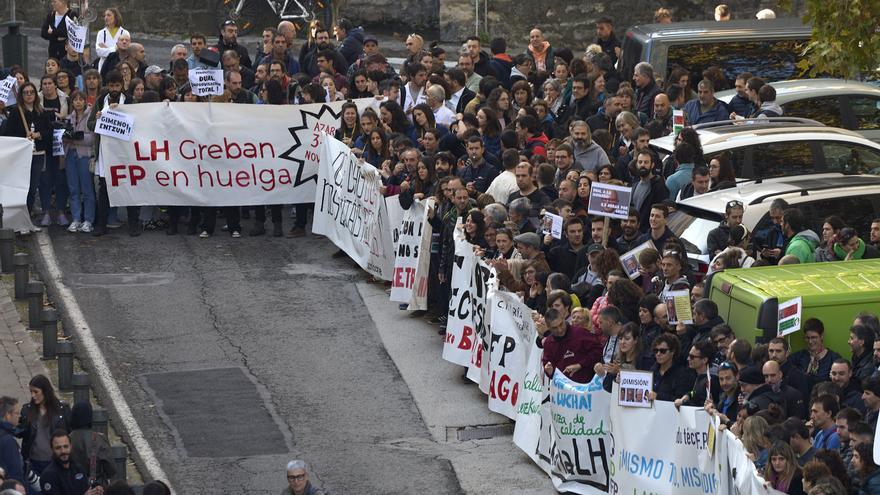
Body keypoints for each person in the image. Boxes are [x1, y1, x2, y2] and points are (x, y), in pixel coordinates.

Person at [3, 82, 53, 218]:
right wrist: (23, 139)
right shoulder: (15, 112)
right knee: (21, 187)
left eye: (31, 92)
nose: (29, 95)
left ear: (36, 95)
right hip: (21, 156)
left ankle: (28, 215)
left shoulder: (41, 112)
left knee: (32, 187)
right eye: (26, 92)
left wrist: (38, 135)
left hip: (38, 155)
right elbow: (8, 134)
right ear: (21, 95)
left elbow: (50, 132)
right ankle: (18, 216)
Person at [539, 308, 602, 384]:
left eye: (561, 324)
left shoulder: (580, 333)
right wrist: (550, 371)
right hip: (562, 389)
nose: (560, 330)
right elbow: (548, 366)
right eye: (554, 328)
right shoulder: (548, 343)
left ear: (563, 318)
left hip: (585, 387)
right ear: (548, 327)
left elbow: (598, 351)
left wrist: (580, 365)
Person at [63, 90, 96, 233]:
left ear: (85, 101)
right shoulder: (69, 118)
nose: (78, 102)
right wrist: (66, 137)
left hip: (84, 156)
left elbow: (92, 138)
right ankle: (76, 219)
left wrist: (76, 138)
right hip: (70, 155)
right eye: (75, 99)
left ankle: (88, 220)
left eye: (80, 99)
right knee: (73, 189)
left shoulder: (90, 117)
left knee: (87, 189)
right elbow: (63, 138)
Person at [67, 401, 115, 486]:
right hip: (96, 487)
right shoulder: (99, 438)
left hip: (71, 485)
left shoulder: (66, 440)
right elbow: (110, 468)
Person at [39, 430, 93, 495]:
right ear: (52, 449)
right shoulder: (48, 476)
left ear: (71, 446)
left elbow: (86, 490)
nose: (63, 451)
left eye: (66, 446)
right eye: (58, 448)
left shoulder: (79, 468)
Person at [789, 318, 840, 386]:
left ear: (821, 336)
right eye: (807, 338)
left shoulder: (833, 358)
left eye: (813, 337)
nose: (810, 341)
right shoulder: (800, 356)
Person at [648, 333, 693, 402]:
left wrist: (658, 396)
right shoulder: (652, 371)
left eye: (663, 351)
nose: (658, 354)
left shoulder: (682, 374)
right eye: (656, 351)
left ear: (673, 351)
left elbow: (681, 400)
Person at [94, 8, 129, 73]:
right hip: (104, 67)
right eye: (105, 16)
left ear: (116, 17)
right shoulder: (101, 33)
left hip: (120, 66)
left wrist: (106, 48)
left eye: (109, 15)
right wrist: (116, 48)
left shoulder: (125, 33)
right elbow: (99, 51)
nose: (106, 18)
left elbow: (126, 51)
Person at [0, 397, 23, 485]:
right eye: (16, 413)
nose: (19, 416)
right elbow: (16, 473)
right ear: (7, 415)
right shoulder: (8, 441)